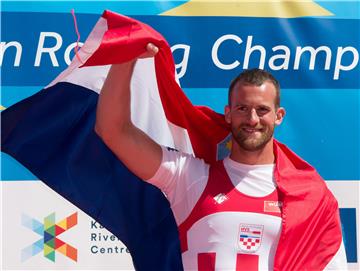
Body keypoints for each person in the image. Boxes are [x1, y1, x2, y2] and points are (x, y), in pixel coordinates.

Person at [95, 43, 347, 270]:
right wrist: (123, 58)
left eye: (262, 110)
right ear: (228, 114)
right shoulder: (190, 177)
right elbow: (113, 131)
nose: (252, 119)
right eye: (242, 108)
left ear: (278, 116)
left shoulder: (310, 195)